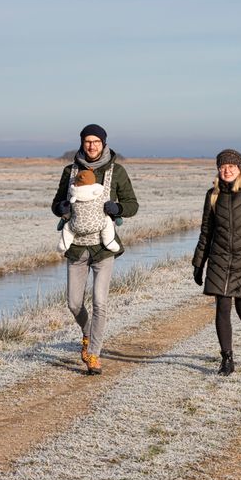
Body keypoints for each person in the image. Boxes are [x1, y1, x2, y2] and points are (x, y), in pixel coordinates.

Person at [51, 124, 138, 375]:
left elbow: (133, 204)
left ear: (104, 143)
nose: (91, 146)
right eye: (87, 141)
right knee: (73, 303)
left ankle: (93, 355)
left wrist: (119, 209)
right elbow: (55, 204)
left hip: (103, 249)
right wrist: (62, 208)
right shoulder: (70, 171)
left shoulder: (117, 171)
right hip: (76, 248)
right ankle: (88, 332)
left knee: (100, 302)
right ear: (82, 143)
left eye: (96, 142)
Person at [192, 149, 241, 376]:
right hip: (219, 260)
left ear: (240, 169)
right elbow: (206, 232)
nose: (227, 170)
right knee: (222, 309)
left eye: (231, 167)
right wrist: (199, 263)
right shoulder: (213, 195)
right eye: (222, 166)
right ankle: (227, 359)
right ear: (218, 169)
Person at [57, 168, 120, 254]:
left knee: (67, 227)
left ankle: (64, 244)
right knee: (108, 221)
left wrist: (62, 208)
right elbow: (110, 207)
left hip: (76, 226)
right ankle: (109, 242)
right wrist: (117, 212)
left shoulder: (73, 193)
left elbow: (131, 204)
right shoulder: (99, 191)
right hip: (99, 224)